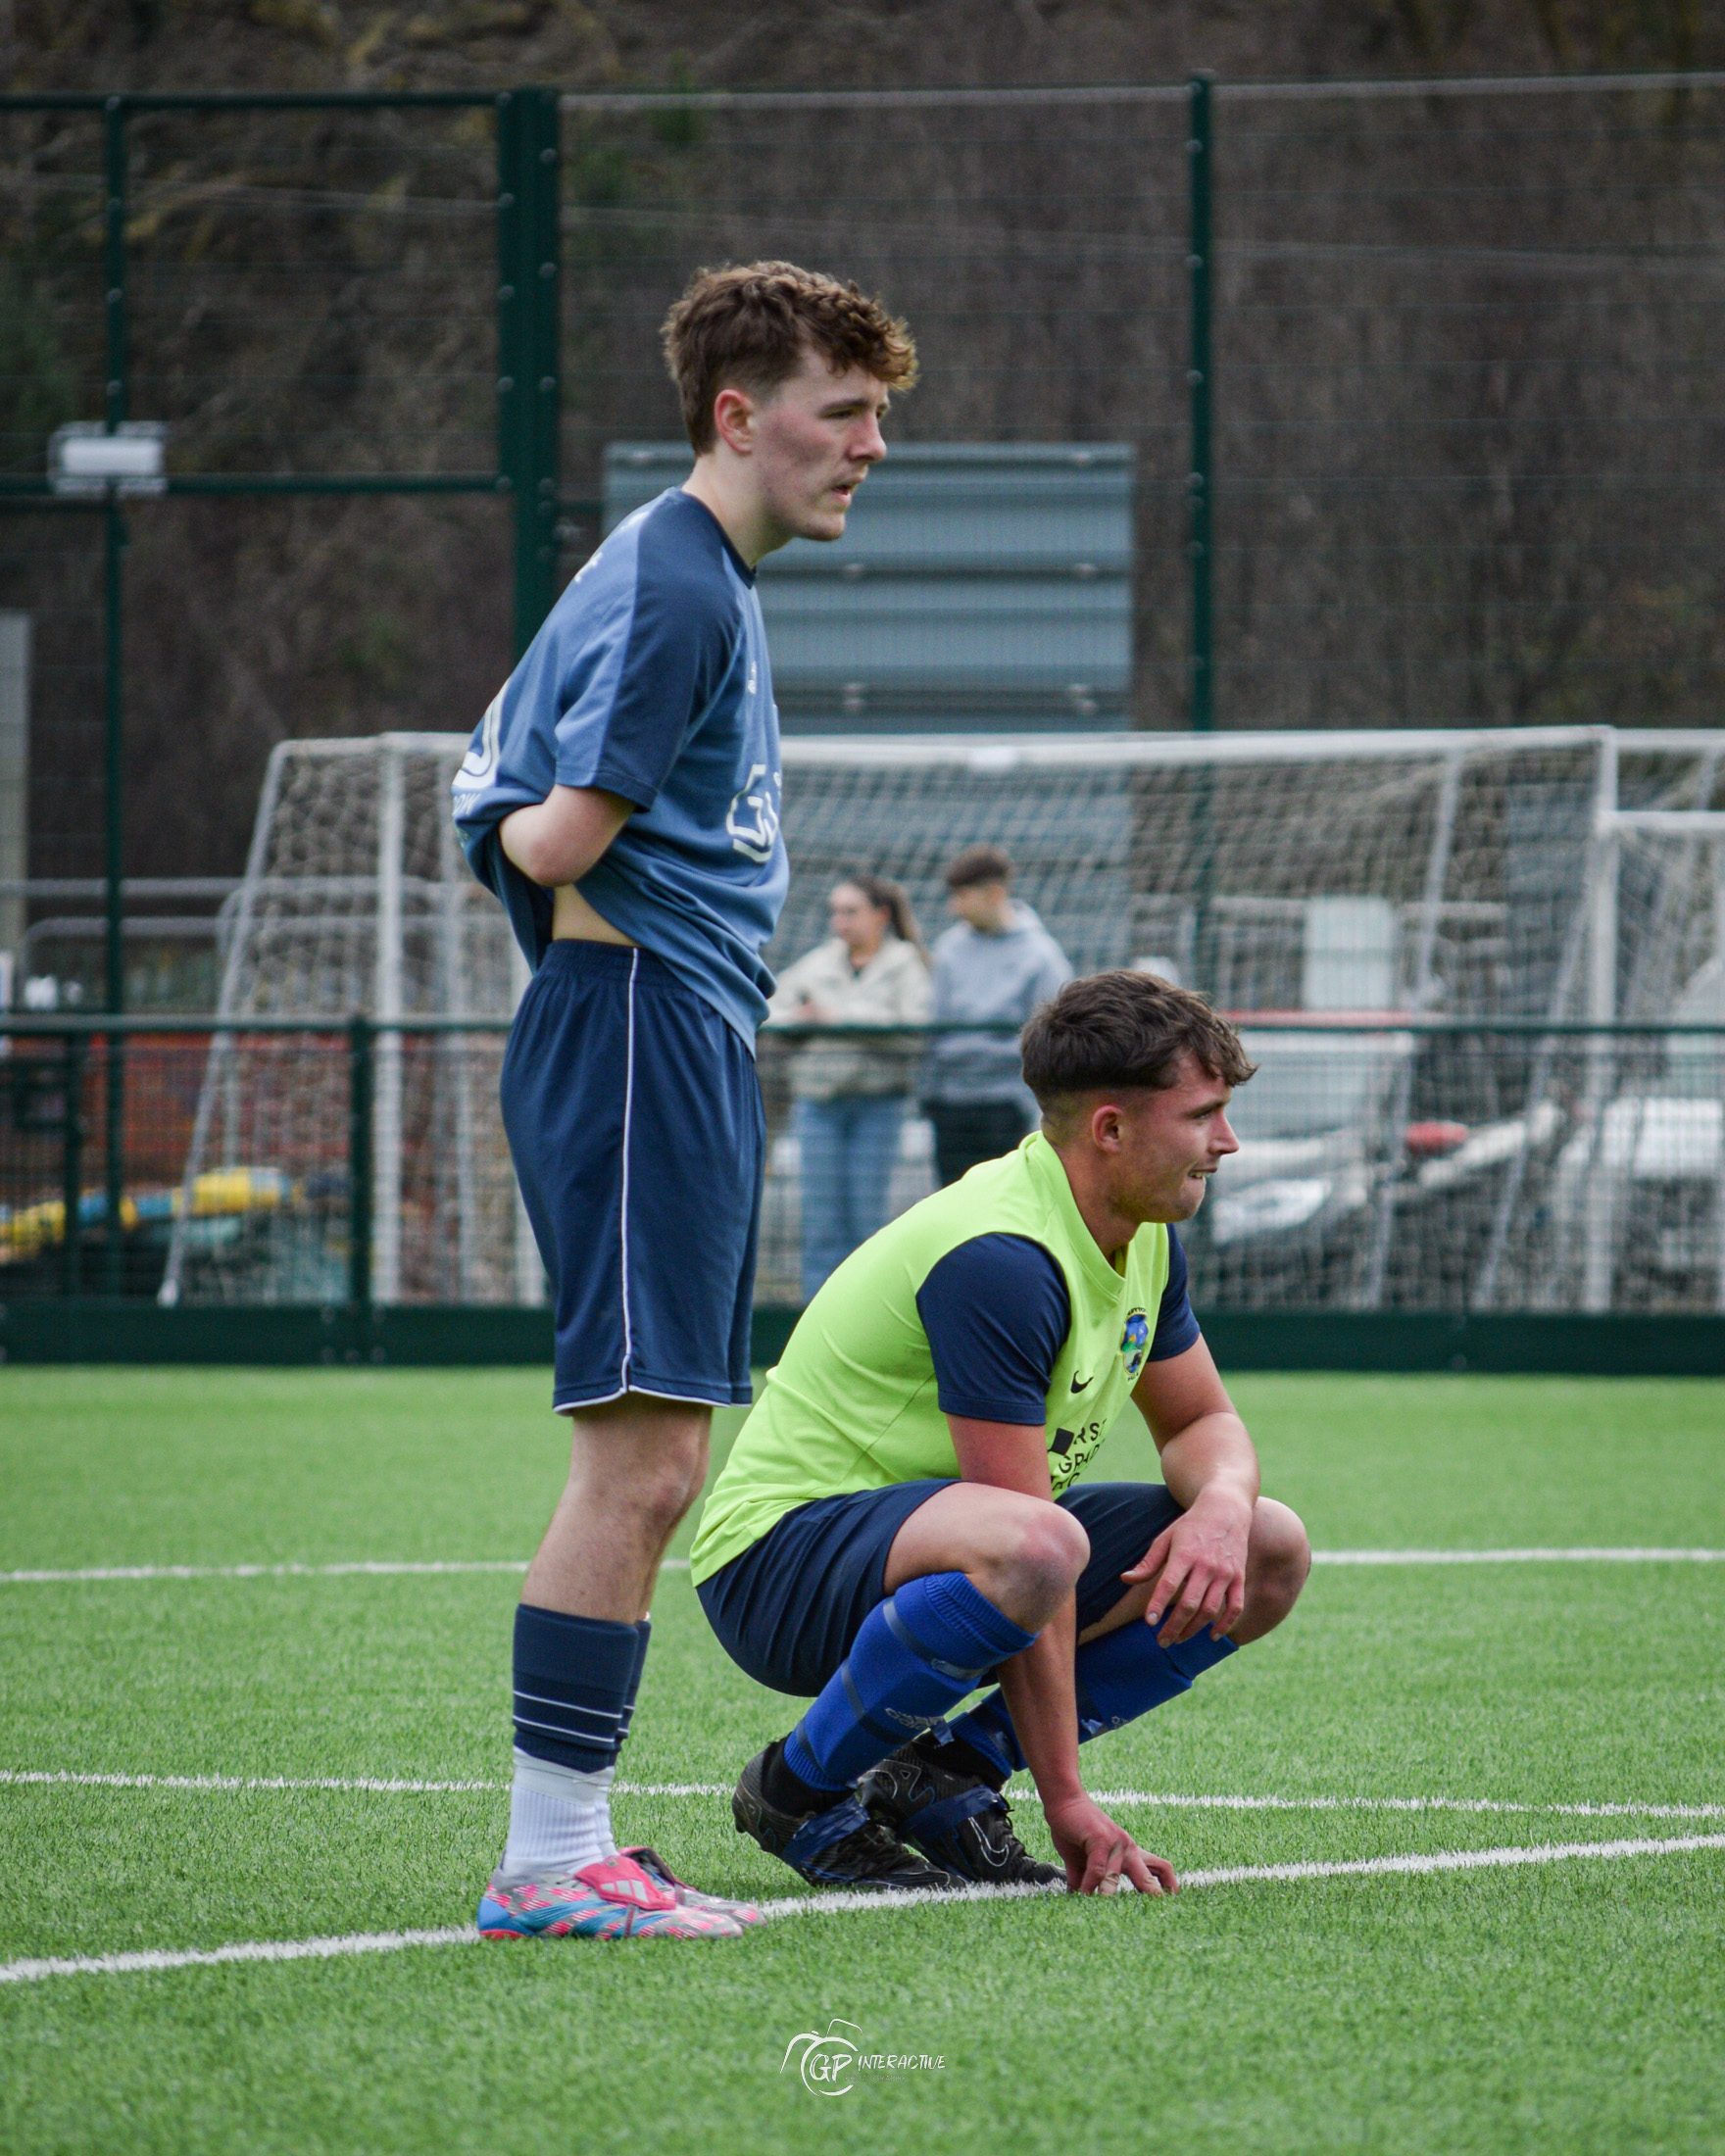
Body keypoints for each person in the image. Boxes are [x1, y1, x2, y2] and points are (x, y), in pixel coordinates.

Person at [450, 261, 917, 1942]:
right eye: (845, 412)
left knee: (659, 1456)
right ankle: (553, 1853)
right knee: (644, 1465)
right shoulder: (683, 581)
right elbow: (546, 833)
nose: (870, 445)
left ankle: (569, 1842)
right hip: (638, 1022)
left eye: (878, 415)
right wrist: (552, 841)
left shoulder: (684, 567)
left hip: (665, 1028)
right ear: (741, 414)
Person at [690, 970, 1310, 1895]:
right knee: (1036, 1544)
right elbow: (1025, 1535)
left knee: (1266, 1546)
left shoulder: (1141, 1232)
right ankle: (796, 1791)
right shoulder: (1001, 1259)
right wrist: (1069, 1798)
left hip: (961, 1545)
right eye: (1204, 1115)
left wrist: (1222, 1503)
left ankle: (948, 1773)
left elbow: (1201, 1420)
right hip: (777, 1564)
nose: (1227, 1142)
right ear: (1111, 1127)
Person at [767, 873, 931, 1299]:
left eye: (850, 911)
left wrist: (836, 1016)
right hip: (818, 1104)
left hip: (879, 1105)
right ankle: (813, 1325)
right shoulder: (818, 962)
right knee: (820, 1224)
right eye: (835, 912)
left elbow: (914, 1028)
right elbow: (772, 1009)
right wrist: (802, 1019)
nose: (840, 921)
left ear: (881, 915)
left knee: (866, 1224)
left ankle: (863, 1322)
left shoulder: (905, 964)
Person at [922, 843, 1071, 1186]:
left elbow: (1050, 1039)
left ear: (993, 893)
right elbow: (936, 1029)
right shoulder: (948, 949)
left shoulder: (1042, 956)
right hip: (950, 1106)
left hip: (1008, 1106)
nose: (953, 907)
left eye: (962, 896)